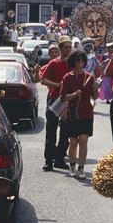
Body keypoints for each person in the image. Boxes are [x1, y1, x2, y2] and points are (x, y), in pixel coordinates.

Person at [59, 51, 98, 180]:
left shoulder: (89, 77)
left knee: (83, 140)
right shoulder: (67, 77)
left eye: (82, 60)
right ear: (73, 62)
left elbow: (94, 97)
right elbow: (63, 97)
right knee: (73, 142)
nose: (80, 63)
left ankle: (81, 168)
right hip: (73, 113)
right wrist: (74, 94)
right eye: (78, 60)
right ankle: (72, 166)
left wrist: (96, 88)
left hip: (86, 112)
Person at [40, 35, 73, 171]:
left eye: (70, 47)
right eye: (66, 47)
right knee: (51, 131)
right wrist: (58, 85)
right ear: (60, 49)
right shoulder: (54, 63)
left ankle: (59, 159)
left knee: (65, 131)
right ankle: (49, 160)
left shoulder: (73, 63)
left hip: (68, 100)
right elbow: (43, 80)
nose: (69, 49)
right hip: (54, 99)